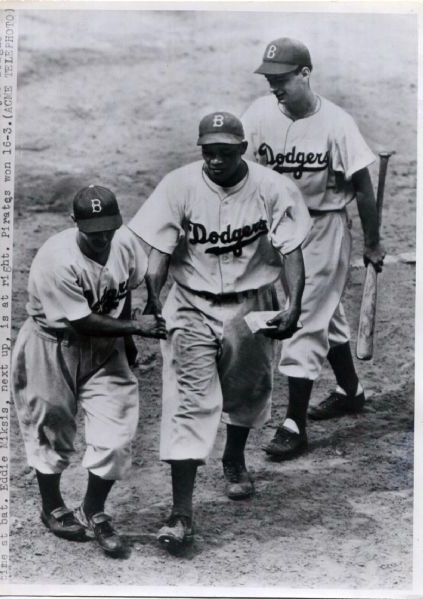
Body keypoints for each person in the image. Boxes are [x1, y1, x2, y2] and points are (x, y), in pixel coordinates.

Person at [128, 111, 311, 550]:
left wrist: (293, 304)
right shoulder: (179, 184)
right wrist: (153, 298)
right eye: (208, 152)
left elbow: (291, 252)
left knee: (247, 390)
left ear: (242, 149)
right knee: (187, 404)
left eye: (224, 153)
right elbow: (159, 251)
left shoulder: (272, 188)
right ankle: (181, 513)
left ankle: (233, 455)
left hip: (251, 303)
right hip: (191, 303)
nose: (214, 161)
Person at [241, 38, 386, 460]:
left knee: (302, 317)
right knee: (327, 313)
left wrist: (373, 242)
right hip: (278, 230)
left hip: (323, 230)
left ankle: (294, 424)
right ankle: (350, 389)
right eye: (269, 78)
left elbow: (363, 187)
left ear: (305, 73)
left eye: (282, 78)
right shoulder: (259, 113)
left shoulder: (337, 123)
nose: (274, 86)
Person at [11, 185, 167, 557]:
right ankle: (52, 507)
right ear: (74, 222)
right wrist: (135, 330)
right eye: (93, 228)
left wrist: (126, 340)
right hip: (52, 344)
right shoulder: (56, 259)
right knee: (51, 425)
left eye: (108, 227)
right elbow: (81, 322)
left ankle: (94, 510)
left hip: (106, 345)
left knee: (116, 434)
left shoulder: (124, 243)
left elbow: (126, 286)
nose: (102, 236)